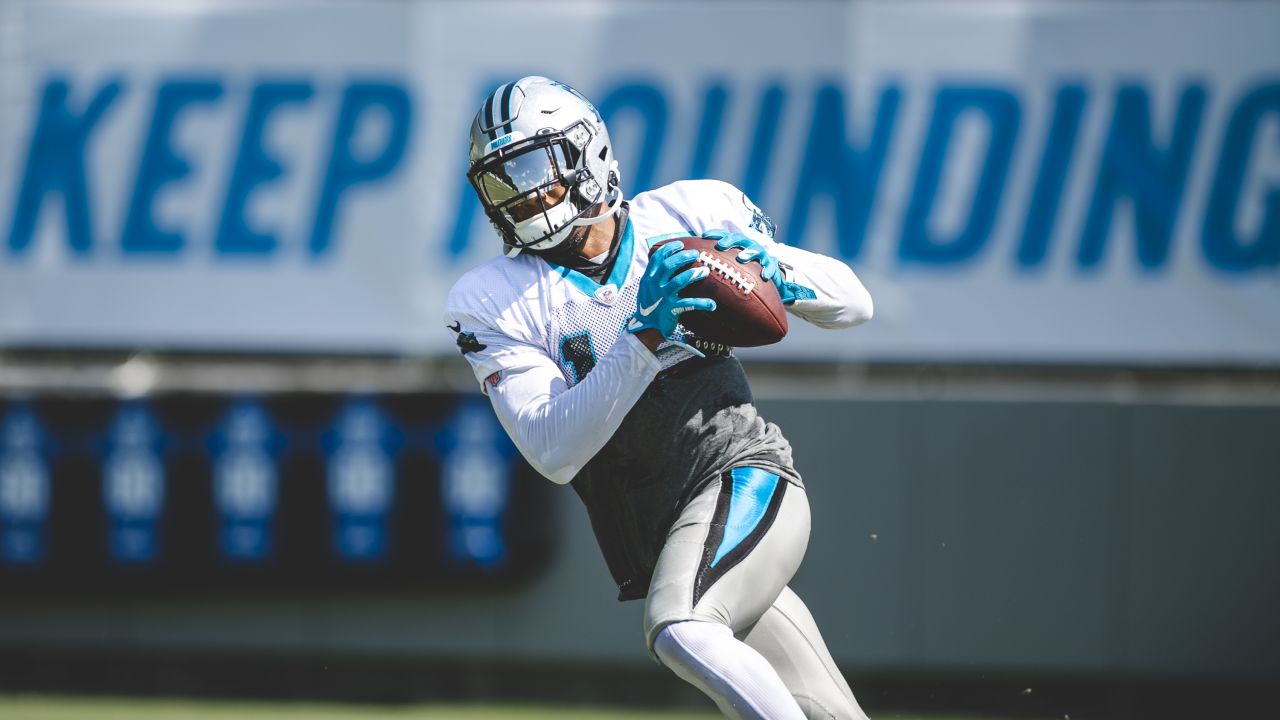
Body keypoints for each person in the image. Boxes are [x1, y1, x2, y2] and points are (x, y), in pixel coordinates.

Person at [445, 76, 874, 720]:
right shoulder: (491, 297)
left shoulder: (688, 214)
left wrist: (778, 269)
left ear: (585, 154)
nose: (525, 195)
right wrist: (641, 335)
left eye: (536, 168)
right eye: (503, 180)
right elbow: (553, 449)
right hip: (667, 530)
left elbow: (854, 304)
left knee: (683, 627)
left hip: (743, 476)